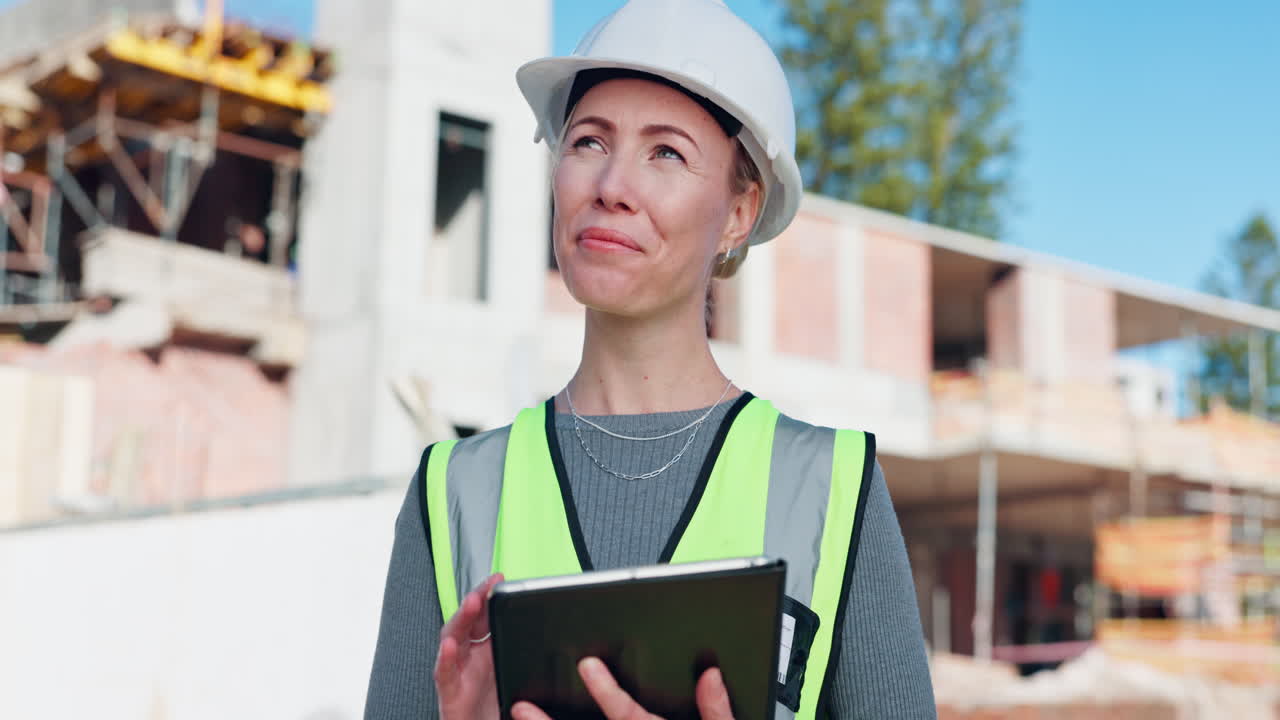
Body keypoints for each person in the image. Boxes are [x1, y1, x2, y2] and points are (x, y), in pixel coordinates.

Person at [364, 1, 935, 718]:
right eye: (588, 143)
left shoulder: (834, 491)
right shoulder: (452, 496)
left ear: (739, 213)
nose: (610, 188)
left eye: (666, 152)